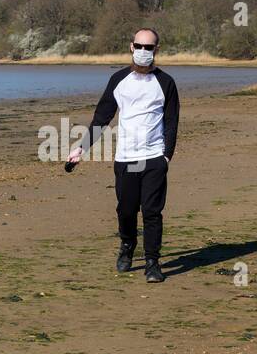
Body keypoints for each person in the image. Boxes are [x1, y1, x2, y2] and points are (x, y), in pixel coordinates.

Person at [67, 28, 179, 282]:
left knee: (152, 212)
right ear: (131, 47)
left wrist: (166, 157)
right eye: (139, 46)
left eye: (148, 48)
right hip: (127, 158)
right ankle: (127, 246)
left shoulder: (166, 83)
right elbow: (102, 116)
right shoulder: (119, 80)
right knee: (126, 210)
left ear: (156, 51)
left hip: (153, 158)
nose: (143, 52)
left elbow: (172, 122)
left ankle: (152, 262)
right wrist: (82, 148)